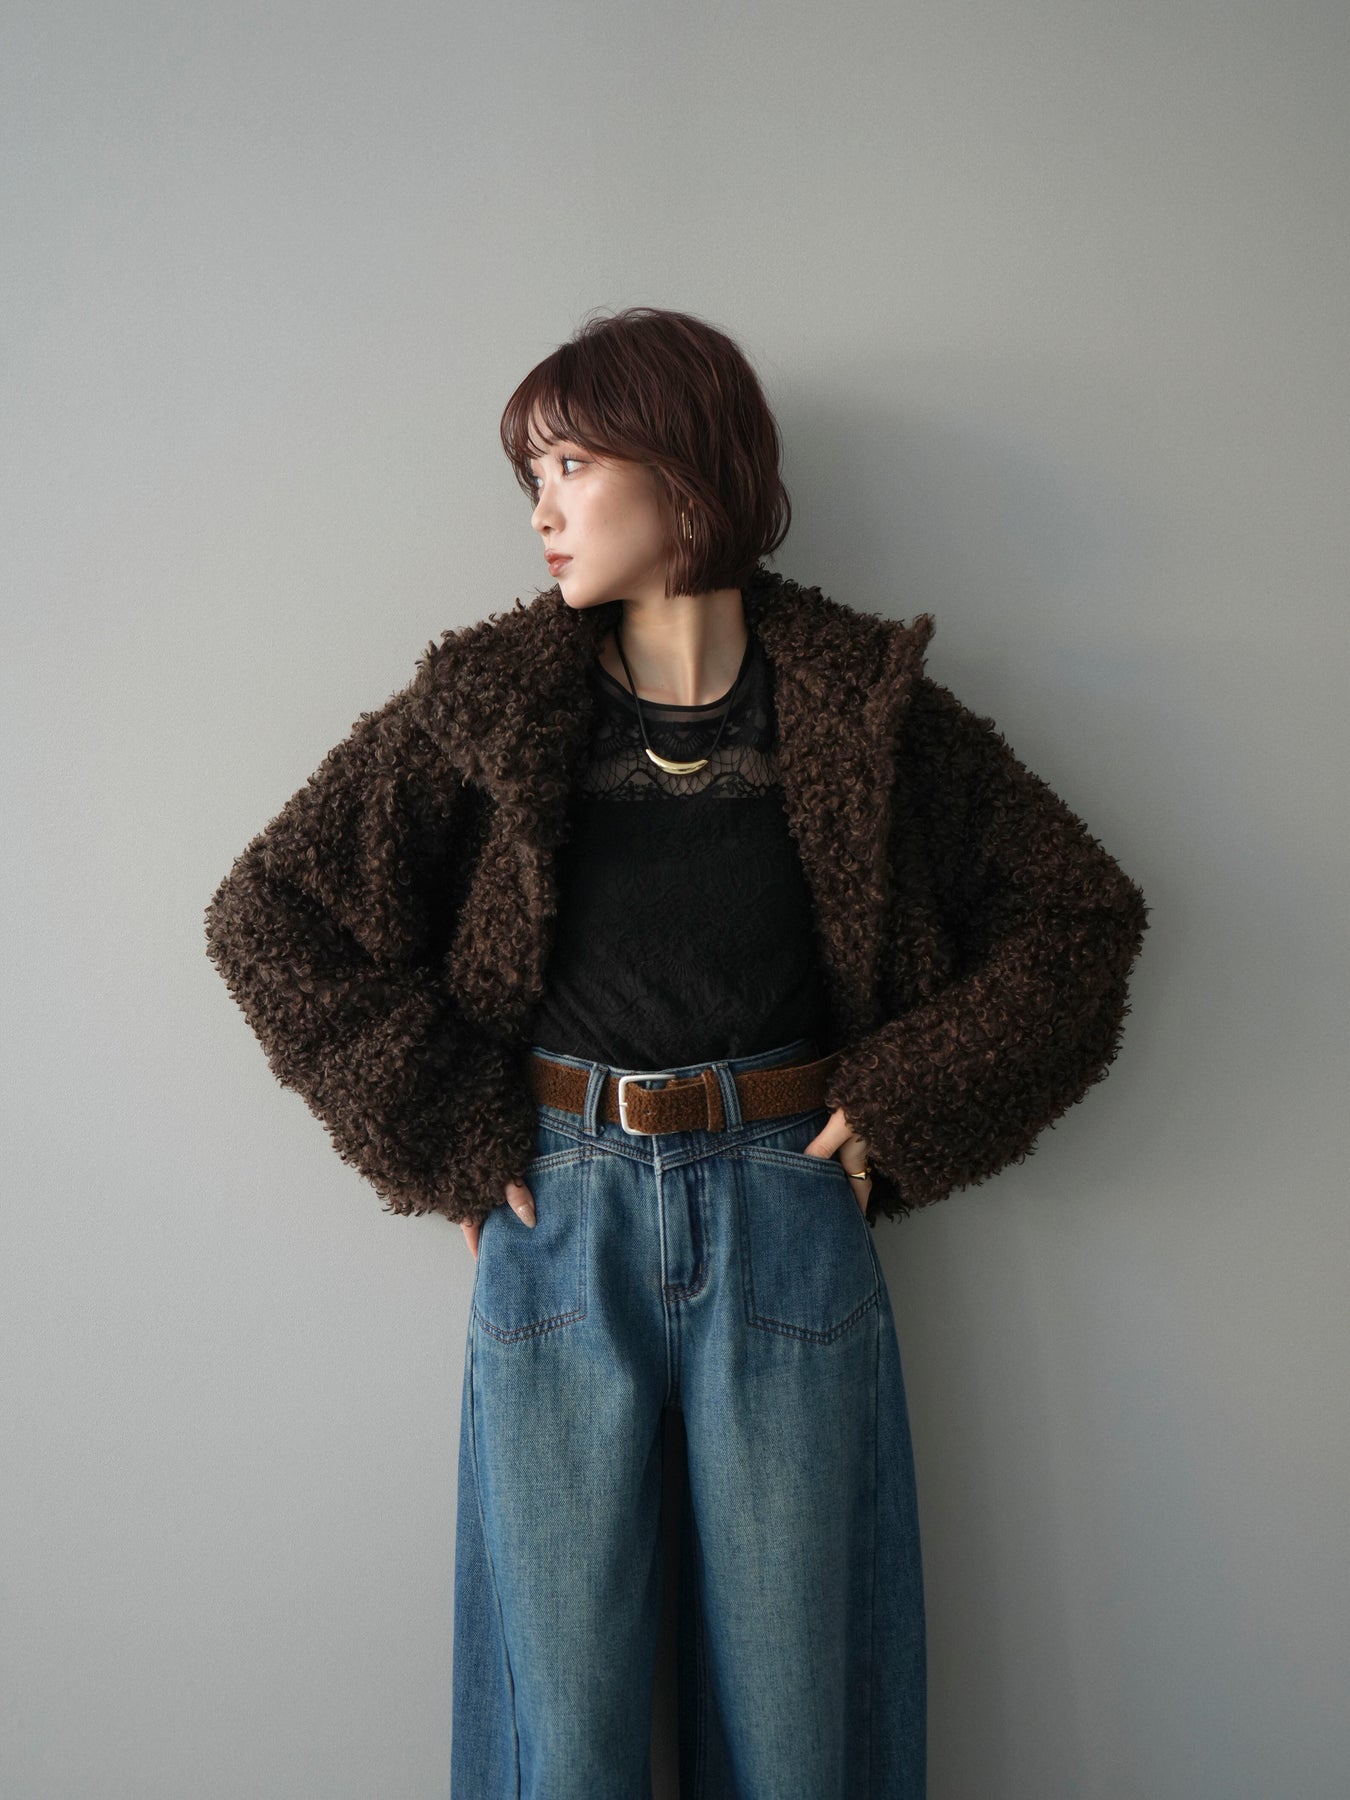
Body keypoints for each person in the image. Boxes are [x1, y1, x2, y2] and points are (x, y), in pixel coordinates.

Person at [204, 305, 1149, 1797]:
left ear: (685, 468)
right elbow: (270, 914)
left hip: (787, 1203)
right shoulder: (488, 710)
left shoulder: (856, 707)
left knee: (795, 1712)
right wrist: (444, 1132)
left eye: (572, 465)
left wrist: (903, 1105)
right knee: (561, 1719)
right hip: (558, 1208)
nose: (543, 510)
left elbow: (1079, 916)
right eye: (532, 474)